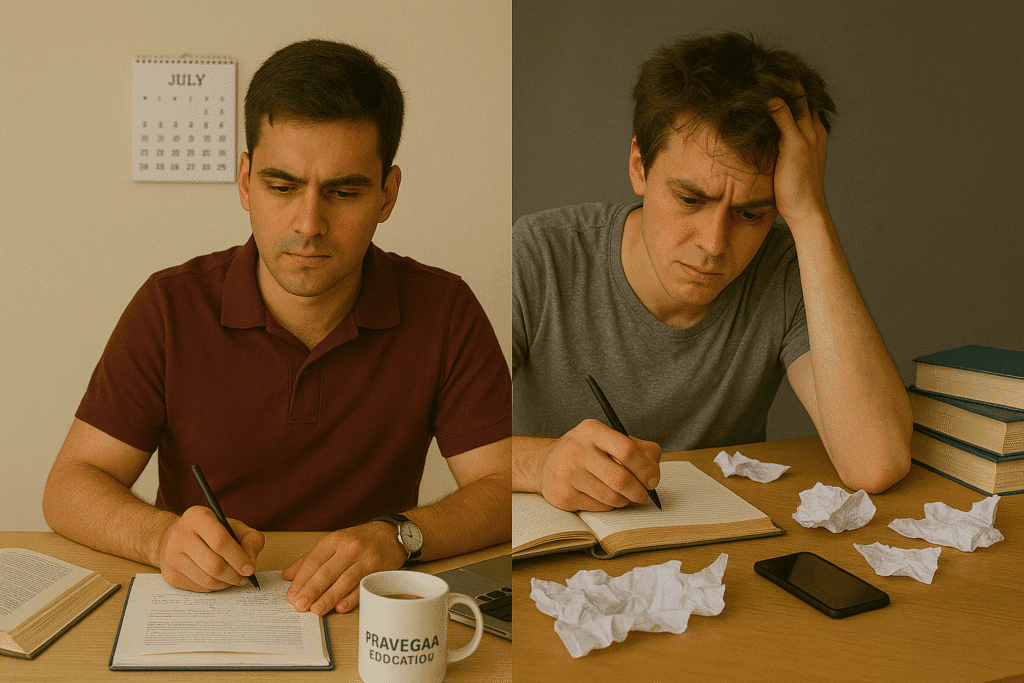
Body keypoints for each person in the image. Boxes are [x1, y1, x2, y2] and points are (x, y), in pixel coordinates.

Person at [43, 39, 511, 616]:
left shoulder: (444, 309)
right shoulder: (169, 306)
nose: (309, 223)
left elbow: (503, 488)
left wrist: (400, 535)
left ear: (387, 194)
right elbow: (69, 486)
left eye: (344, 191)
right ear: (244, 181)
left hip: (367, 617)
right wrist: (161, 539)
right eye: (282, 187)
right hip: (203, 610)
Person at [512, 32, 911, 512]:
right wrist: (542, 463)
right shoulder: (541, 254)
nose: (713, 245)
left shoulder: (786, 269)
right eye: (689, 199)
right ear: (639, 165)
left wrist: (810, 214)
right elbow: (461, 441)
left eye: (751, 214)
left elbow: (875, 463)